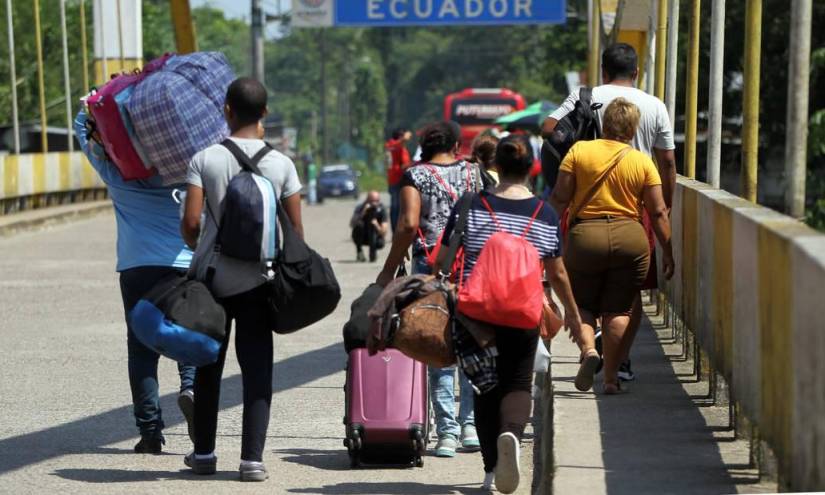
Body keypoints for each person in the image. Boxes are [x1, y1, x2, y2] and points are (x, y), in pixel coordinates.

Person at [438, 135, 582, 493]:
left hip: (476, 314)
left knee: (485, 388)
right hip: (523, 311)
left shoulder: (471, 205)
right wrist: (574, 318)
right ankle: (511, 434)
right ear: (532, 167)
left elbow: (443, 259)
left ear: (495, 167)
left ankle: (489, 472)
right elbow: (558, 272)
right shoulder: (545, 212)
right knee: (518, 383)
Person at [181, 77, 304, 481]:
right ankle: (252, 460)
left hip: (212, 281)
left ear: (226, 110)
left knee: (207, 367)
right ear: (265, 113)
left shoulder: (204, 159)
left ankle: (203, 455)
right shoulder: (281, 164)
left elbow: (192, 223)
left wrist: (199, 242)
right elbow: (296, 236)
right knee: (256, 370)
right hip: (259, 281)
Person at [543, 42, 677, 382]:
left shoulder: (584, 100)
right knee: (625, 300)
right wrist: (666, 216)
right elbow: (669, 163)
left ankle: (590, 350)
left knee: (585, 297)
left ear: (603, 71)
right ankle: (617, 369)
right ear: (636, 73)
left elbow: (549, 128)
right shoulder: (655, 108)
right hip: (637, 215)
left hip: (585, 218)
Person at [74, 108, 196, 454]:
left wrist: (114, 98)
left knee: (141, 348)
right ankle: (191, 388)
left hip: (136, 266)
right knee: (187, 333)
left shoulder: (116, 172)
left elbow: (81, 125)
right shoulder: (183, 169)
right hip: (182, 265)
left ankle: (150, 431)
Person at [376, 121, 483, 458]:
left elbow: (408, 224)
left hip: (431, 269)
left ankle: (446, 433)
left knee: (435, 341)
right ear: (456, 145)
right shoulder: (475, 174)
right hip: (471, 267)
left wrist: (388, 271)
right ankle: (471, 426)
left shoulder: (415, 175)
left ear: (423, 146)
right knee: (471, 343)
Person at [385, 127, 413, 232]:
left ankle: (397, 231)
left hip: (395, 180)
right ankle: (397, 231)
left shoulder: (393, 146)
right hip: (397, 180)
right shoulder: (395, 146)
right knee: (397, 207)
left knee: (398, 207)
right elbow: (403, 166)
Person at [351, 190, 389, 262]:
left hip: (376, 237)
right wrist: (363, 212)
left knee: (374, 229)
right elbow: (352, 224)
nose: (374, 203)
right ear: (367, 200)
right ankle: (359, 252)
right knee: (359, 226)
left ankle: (373, 253)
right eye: (371, 201)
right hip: (362, 235)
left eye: (376, 201)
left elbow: (384, 232)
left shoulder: (382, 209)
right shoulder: (360, 207)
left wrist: (377, 225)